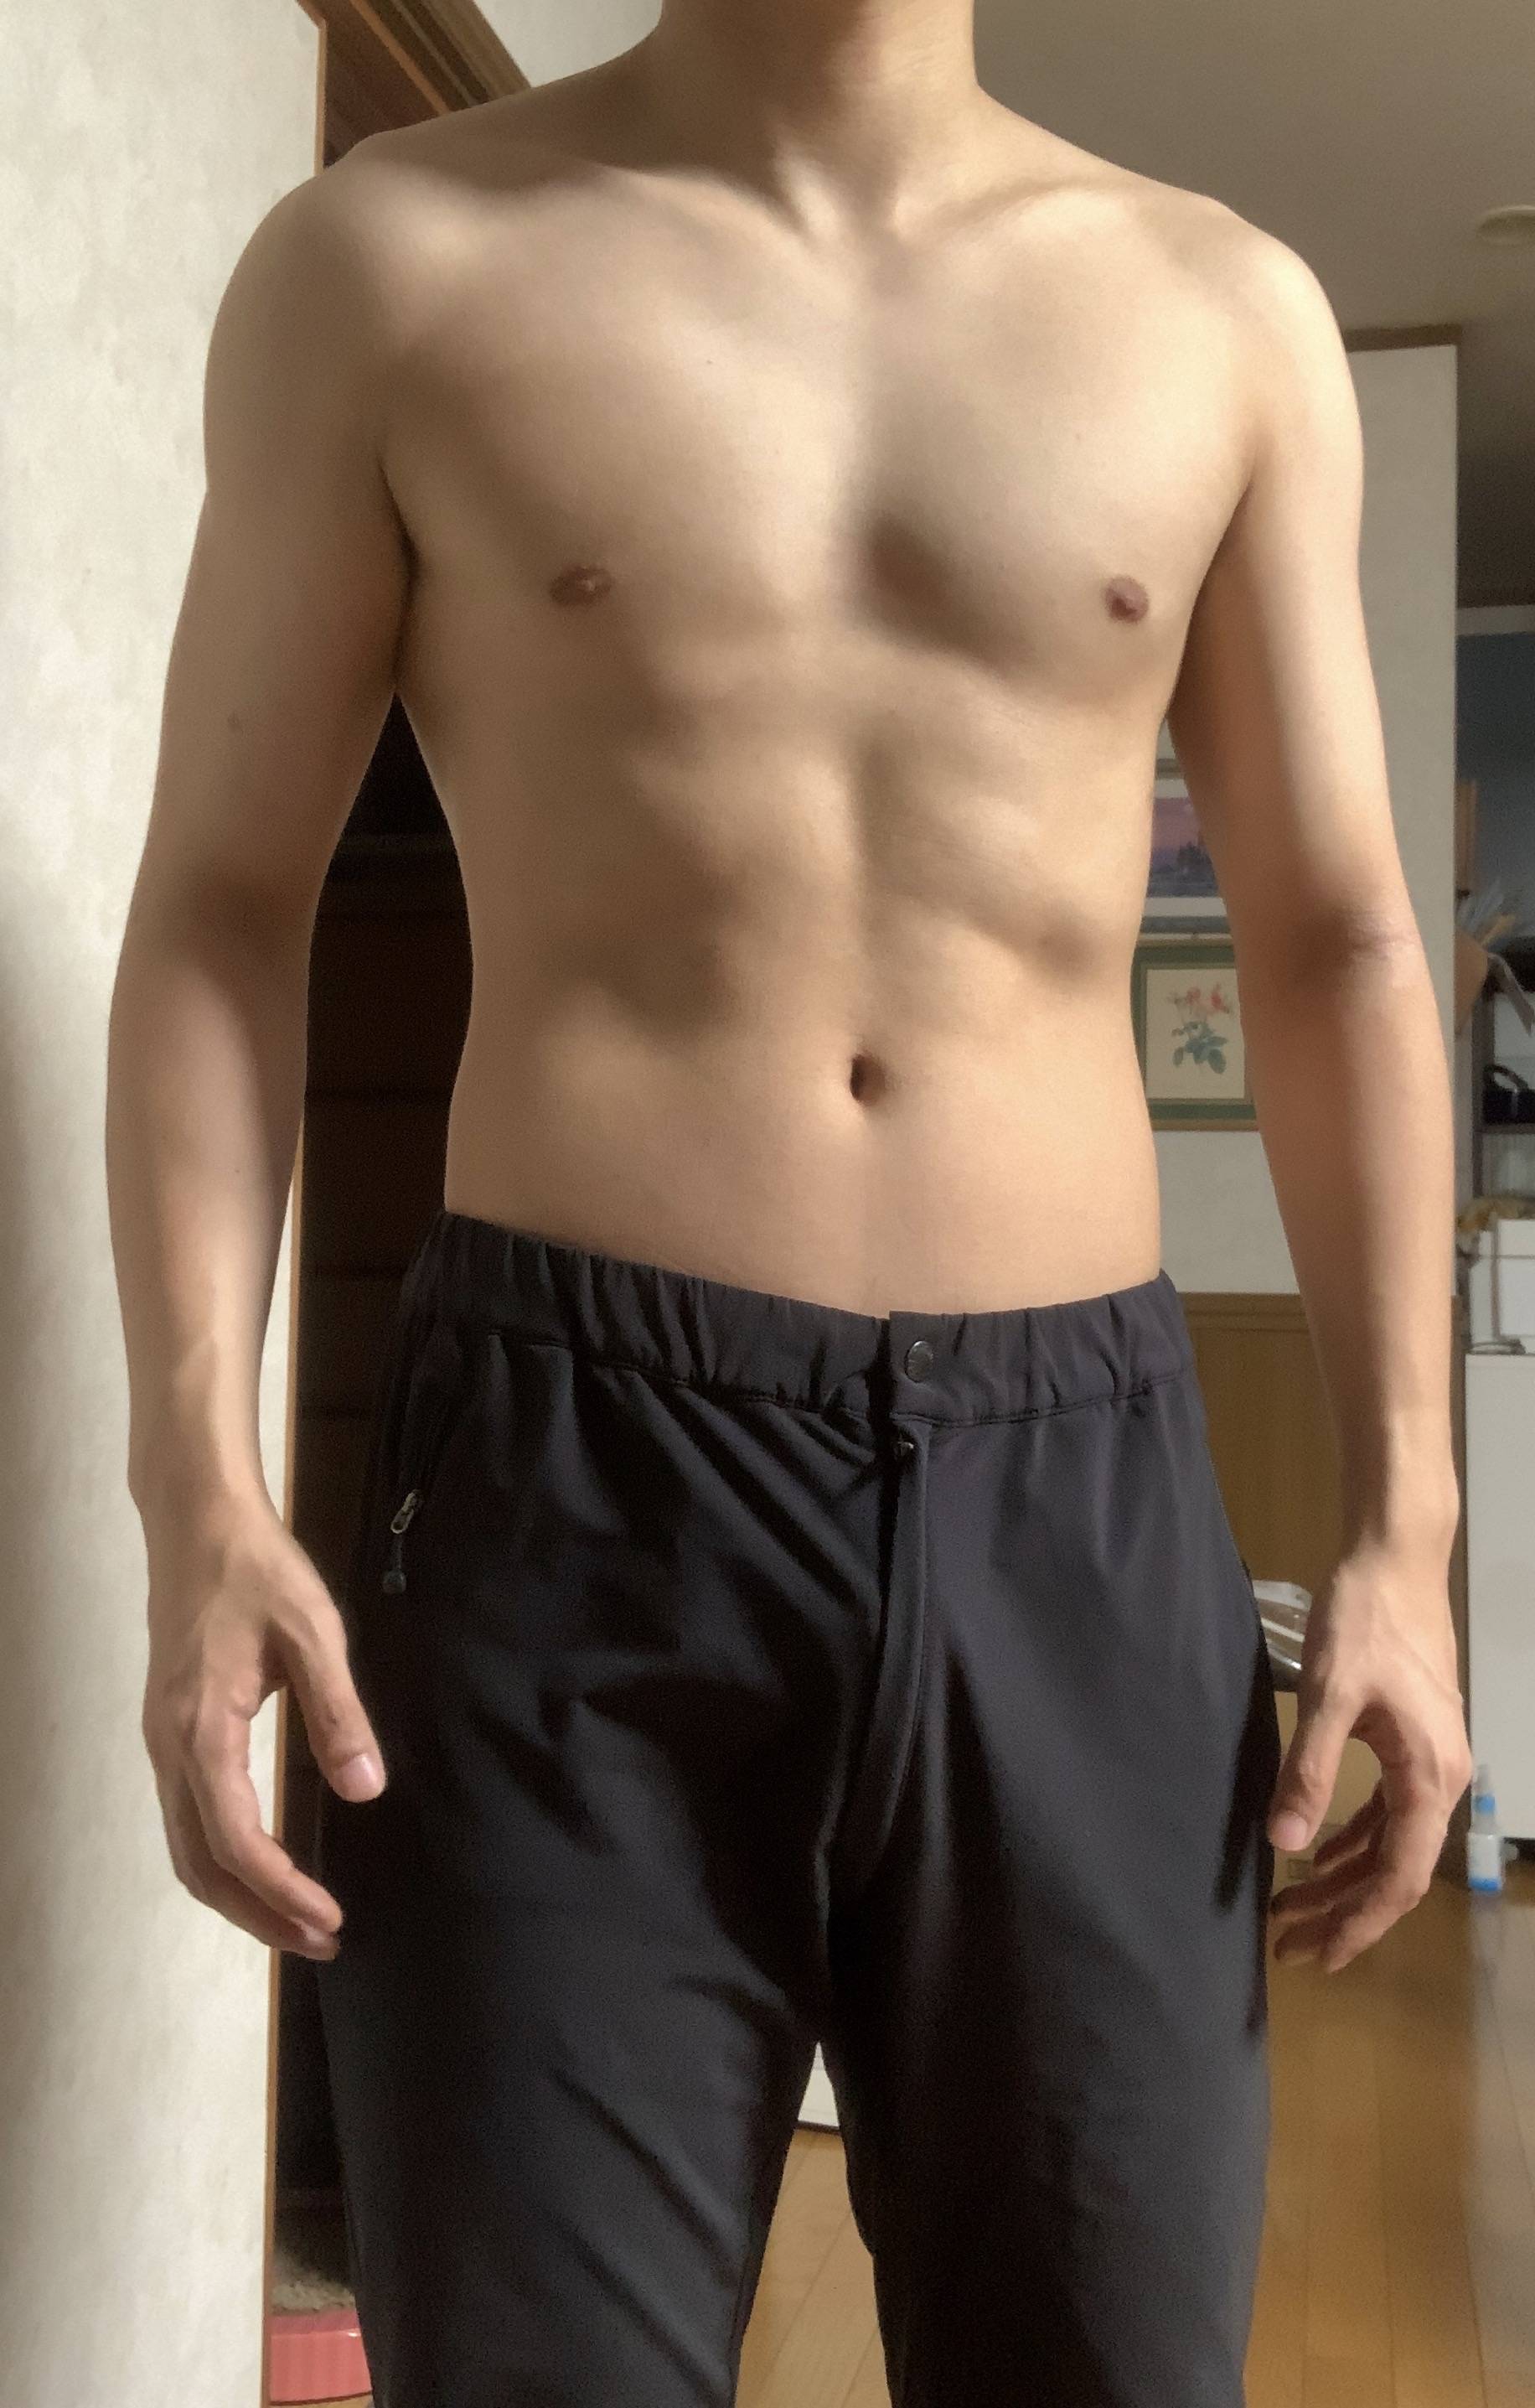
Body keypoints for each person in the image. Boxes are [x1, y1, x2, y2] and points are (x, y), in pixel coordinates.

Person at [107, 2, 1472, 2400]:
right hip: (569, 1489)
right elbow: (222, 907)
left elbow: (1342, 936)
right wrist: (195, 1484)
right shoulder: (390, 265)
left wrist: (1410, 1519)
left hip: (1079, 1499)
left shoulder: (1219, 315)